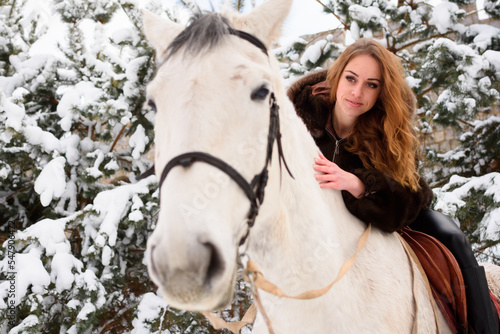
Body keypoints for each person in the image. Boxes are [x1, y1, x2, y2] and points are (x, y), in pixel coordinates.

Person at [287, 38, 498, 334]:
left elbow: (416, 194)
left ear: (381, 92)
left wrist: (360, 185)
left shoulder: (389, 128)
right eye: (351, 78)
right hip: (305, 226)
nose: (357, 92)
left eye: (371, 85)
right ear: (336, 78)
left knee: (451, 236)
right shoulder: (296, 121)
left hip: (377, 218)